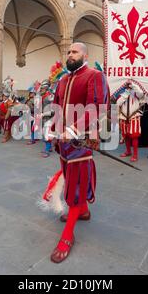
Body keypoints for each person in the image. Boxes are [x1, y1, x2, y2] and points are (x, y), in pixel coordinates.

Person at [49, 42, 110, 264]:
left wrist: (73, 129)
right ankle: (83, 211)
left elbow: (96, 107)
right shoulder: (63, 79)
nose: (70, 54)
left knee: (76, 182)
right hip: (63, 142)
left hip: (81, 140)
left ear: (85, 55)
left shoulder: (94, 75)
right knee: (69, 175)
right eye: (69, 51)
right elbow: (56, 106)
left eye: (75, 51)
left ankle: (67, 235)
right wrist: (54, 130)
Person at [117, 81, 148, 162]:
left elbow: (141, 94)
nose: (128, 86)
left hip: (134, 116)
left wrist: (133, 85)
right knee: (126, 135)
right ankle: (128, 151)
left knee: (134, 136)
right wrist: (126, 93)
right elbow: (118, 103)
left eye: (129, 84)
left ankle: (135, 155)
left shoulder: (136, 92)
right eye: (127, 84)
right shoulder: (122, 92)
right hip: (124, 117)